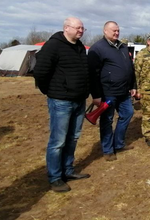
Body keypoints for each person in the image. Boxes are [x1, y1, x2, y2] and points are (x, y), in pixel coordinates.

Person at [34, 17, 90, 192]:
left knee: (73, 138)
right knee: (58, 141)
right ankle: (55, 177)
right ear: (67, 28)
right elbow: (40, 72)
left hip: (79, 100)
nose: (81, 31)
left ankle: (68, 170)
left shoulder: (80, 47)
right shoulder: (53, 45)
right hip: (61, 102)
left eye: (83, 28)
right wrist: (52, 92)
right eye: (78, 28)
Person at [88, 21, 136, 161]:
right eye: (113, 30)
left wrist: (133, 85)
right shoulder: (97, 48)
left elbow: (129, 67)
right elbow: (92, 74)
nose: (116, 33)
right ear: (105, 31)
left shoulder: (122, 46)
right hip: (107, 92)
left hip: (124, 91)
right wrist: (96, 95)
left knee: (128, 113)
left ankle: (119, 144)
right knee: (107, 120)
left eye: (118, 30)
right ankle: (108, 150)